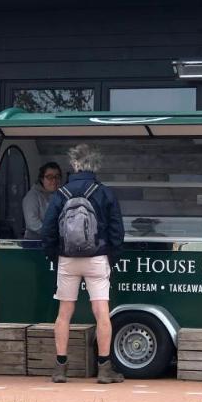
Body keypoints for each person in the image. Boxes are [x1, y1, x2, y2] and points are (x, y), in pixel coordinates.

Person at [40, 143, 126, 384]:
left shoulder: (62, 193)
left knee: (64, 314)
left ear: (75, 164)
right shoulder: (104, 192)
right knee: (101, 313)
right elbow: (118, 231)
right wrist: (111, 258)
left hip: (67, 260)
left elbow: (47, 231)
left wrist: (55, 257)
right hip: (97, 258)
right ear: (94, 164)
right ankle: (105, 369)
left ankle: (60, 368)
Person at [22, 162, 62, 240]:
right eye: (49, 177)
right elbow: (32, 223)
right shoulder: (32, 196)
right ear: (42, 179)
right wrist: (52, 233)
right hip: (35, 243)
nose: (54, 180)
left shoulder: (61, 196)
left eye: (57, 177)